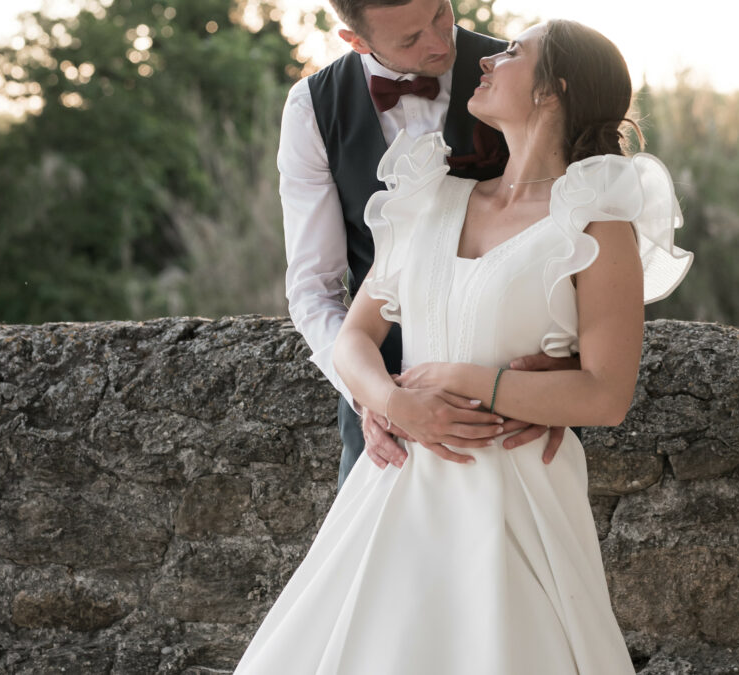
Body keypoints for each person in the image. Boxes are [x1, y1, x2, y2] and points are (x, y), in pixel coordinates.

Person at [235, 19, 692, 674]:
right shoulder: (426, 198)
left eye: (513, 54)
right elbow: (350, 331)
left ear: (552, 91)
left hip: (514, 492)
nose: (485, 57)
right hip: (396, 476)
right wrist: (389, 397)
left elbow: (606, 390)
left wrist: (471, 378)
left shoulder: (595, 222)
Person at [280, 0, 568, 489]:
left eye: (440, 13)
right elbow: (313, 288)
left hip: (517, 416)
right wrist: (376, 398)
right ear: (357, 41)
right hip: (387, 426)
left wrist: (566, 371)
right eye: (410, 39)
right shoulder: (313, 107)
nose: (440, 42)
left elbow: (589, 234)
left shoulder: (525, 73)